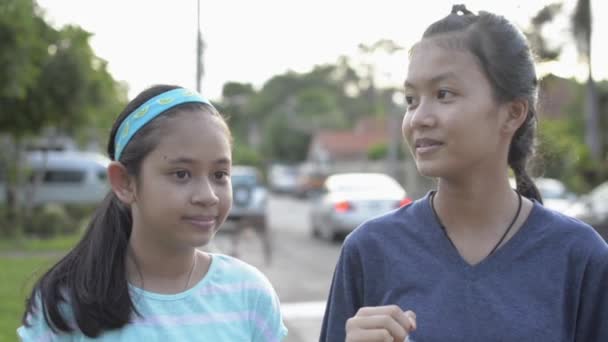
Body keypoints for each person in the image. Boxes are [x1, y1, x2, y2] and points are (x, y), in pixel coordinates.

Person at [320, 5, 608, 342]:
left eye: (443, 94)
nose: (418, 118)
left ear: (512, 113)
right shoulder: (369, 251)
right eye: (411, 99)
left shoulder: (580, 257)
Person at [18, 85, 288, 341]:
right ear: (124, 182)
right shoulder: (65, 304)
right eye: (181, 174)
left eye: (220, 174)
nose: (208, 195)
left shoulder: (249, 293)